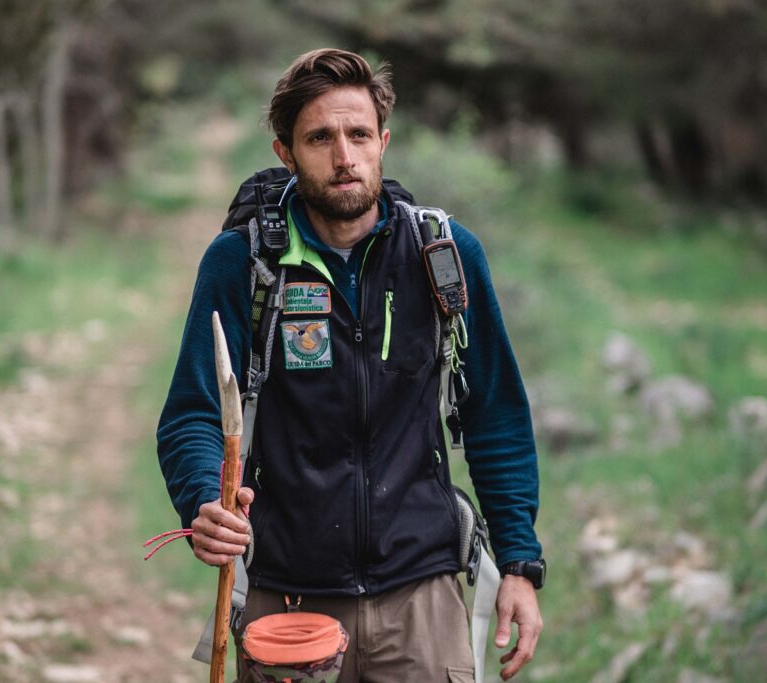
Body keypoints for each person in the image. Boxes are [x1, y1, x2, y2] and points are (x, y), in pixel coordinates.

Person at [157, 48, 544, 681]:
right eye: (320, 138)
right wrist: (204, 501)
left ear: (383, 141)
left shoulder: (443, 255)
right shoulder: (242, 264)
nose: (344, 157)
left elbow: (493, 414)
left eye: (359, 134)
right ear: (286, 152)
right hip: (286, 600)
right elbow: (193, 411)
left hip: (423, 596)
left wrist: (521, 565)